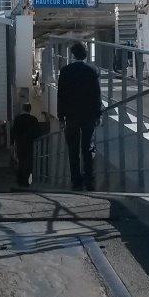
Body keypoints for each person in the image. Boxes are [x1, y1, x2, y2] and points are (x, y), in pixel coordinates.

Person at [57, 42, 102, 191]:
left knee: (73, 150)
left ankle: (76, 181)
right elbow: (97, 95)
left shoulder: (65, 71)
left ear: (73, 54)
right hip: (88, 115)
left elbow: (61, 95)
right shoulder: (93, 70)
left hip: (71, 116)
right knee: (87, 148)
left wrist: (60, 117)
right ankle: (89, 181)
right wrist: (98, 114)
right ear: (86, 54)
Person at [10, 104, 44, 188]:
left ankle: (19, 180)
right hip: (29, 144)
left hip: (19, 143)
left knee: (21, 161)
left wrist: (12, 143)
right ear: (30, 109)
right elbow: (38, 133)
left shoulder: (18, 119)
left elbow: (13, 131)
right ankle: (26, 181)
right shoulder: (33, 119)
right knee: (28, 163)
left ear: (23, 109)